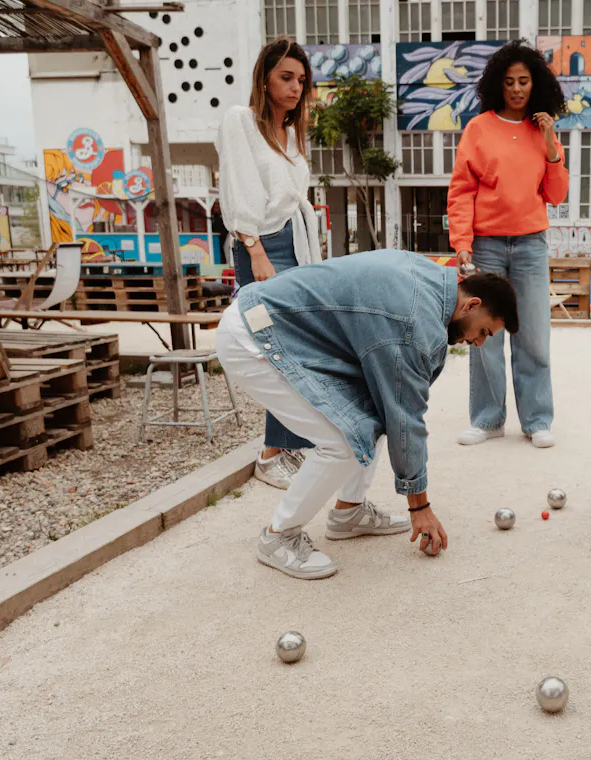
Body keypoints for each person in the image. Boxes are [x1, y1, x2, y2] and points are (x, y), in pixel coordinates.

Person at [215, 250, 520, 580]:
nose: (477, 343)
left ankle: (349, 512)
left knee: (372, 410)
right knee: (342, 442)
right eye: (485, 332)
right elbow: (406, 416)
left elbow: (392, 406)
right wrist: (419, 505)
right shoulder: (415, 323)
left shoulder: (430, 278)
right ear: (471, 305)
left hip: (272, 321)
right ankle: (278, 536)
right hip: (255, 334)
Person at [447, 41, 569, 450]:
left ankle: (537, 420)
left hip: (531, 245)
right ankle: (488, 419)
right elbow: (462, 190)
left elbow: (556, 194)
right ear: (497, 85)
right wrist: (462, 242)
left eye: (524, 81)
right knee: (485, 336)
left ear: (536, 84)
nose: (517, 89)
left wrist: (551, 144)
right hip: (487, 245)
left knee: (533, 333)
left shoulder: (543, 130)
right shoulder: (478, 129)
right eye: (510, 81)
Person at [216, 35, 322, 491]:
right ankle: (270, 454)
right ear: (264, 77)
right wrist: (255, 250)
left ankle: (287, 445)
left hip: (296, 247)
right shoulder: (241, 121)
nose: (295, 87)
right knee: (273, 352)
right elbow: (237, 190)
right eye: (285, 77)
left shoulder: (293, 134)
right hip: (261, 247)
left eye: (301, 79)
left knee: (298, 350)